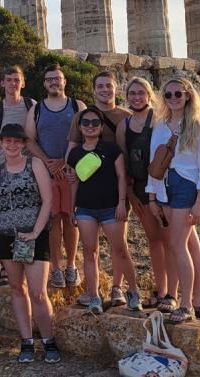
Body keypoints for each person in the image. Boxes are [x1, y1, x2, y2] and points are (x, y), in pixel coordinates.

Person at [146, 78, 200, 324]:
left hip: (187, 186)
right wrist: (152, 196)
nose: (173, 98)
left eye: (178, 93)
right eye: (168, 94)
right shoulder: (161, 126)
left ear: (187, 96)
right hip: (165, 187)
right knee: (191, 245)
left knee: (177, 245)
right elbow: (154, 164)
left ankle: (185, 304)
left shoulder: (198, 127)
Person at [0, 123, 60, 364]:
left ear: (23, 144)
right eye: (7, 141)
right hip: (6, 236)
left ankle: (49, 340)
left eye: (16, 141)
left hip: (34, 235)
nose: (11, 145)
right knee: (16, 289)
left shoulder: (35, 164)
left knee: (37, 292)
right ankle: (27, 342)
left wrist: (35, 232)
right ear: (1, 143)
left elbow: (47, 199)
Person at [67, 106, 142, 314]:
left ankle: (133, 292)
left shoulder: (111, 149)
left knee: (120, 250)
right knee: (90, 252)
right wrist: (71, 207)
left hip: (111, 207)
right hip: (85, 208)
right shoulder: (74, 153)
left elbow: (121, 176)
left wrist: (121, 202)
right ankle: (94, 296)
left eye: (95, 123)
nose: (90, 127)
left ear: (101, 127)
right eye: (86, 123)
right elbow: (73, 182)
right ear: (80, 128)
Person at [116, 77, 179, 313]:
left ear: (149, 95)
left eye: (140, 92)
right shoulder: (124, 125)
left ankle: (173, 293)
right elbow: (123, 159)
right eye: (131, 93)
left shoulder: (160, 120)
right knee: (154, 240)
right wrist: (130, 192)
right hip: (139, 188)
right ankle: (161, 290)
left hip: (162, 186)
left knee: (170, 240)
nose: (136, 97)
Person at [25, 64, 86, 289]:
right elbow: (29, 140)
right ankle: (55, 267)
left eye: (57, 79)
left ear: (64, 82)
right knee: (52, 221)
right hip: (46, 172)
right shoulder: (37, 109)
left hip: (71, 171)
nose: (54, 82)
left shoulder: (77, 105)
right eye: (49, 79)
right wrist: (49, 163)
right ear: (44, 83)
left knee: (71, 219)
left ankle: (71, 265)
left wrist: (65, 161)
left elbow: (86, 136)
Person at [0, 65, 36, 286]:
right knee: (4, 215)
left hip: (30, 169)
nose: (13, 83)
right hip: (4, 169)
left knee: (29, 214)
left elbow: (35, 137)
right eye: (9, 79)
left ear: (23, 83)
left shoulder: (31, 105)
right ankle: (6, 267)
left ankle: (29, 260)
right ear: (2, 83)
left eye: (17, 79)